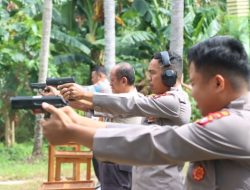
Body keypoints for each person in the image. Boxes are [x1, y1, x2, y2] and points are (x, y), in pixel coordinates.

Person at [41, 36, 250, 190]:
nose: (192, 92)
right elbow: (139, 132)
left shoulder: (232, 124)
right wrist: (76, 121)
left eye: (194, 83)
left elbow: (155, 141)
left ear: (218, 83)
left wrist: (74, 130)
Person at [52, 52, 192, 189]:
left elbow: (132, 103)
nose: (149, 78)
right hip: (145, 181)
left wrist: (85, 94)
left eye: (153, 73)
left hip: (161, 184)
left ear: (169, 76)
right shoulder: (162, 100)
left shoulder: (175, 101)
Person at [92, 62, 143, 190]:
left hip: (118, 162)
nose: (109, 84)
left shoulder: (127, 101)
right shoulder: (130, 98)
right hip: (116, 160)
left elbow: (88, 102)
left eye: (112, 80)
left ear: (124, 81)